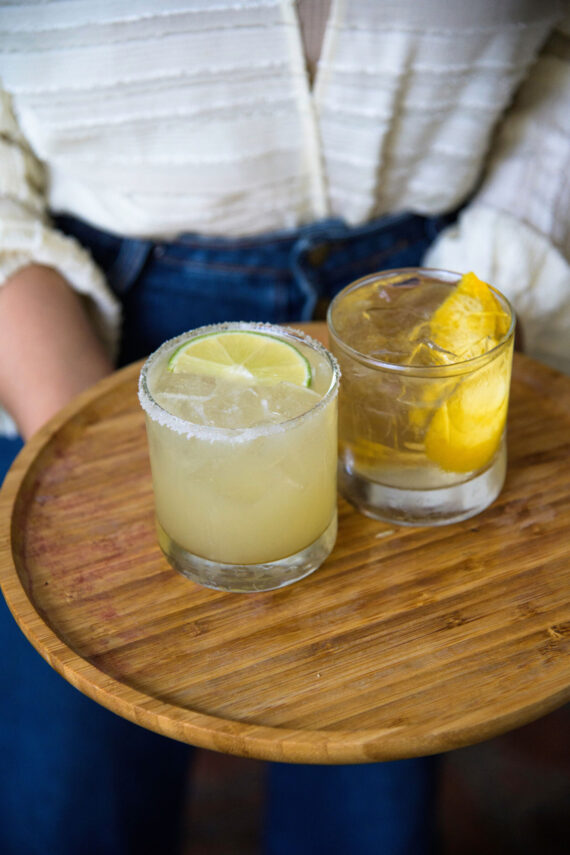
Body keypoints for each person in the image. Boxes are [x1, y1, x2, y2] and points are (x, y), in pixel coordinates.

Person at [0, 2, 569, 854]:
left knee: (367, 808)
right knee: (68, 800)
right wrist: (72, 415)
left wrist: (478, 302)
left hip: (421, 299)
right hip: (93, 326)